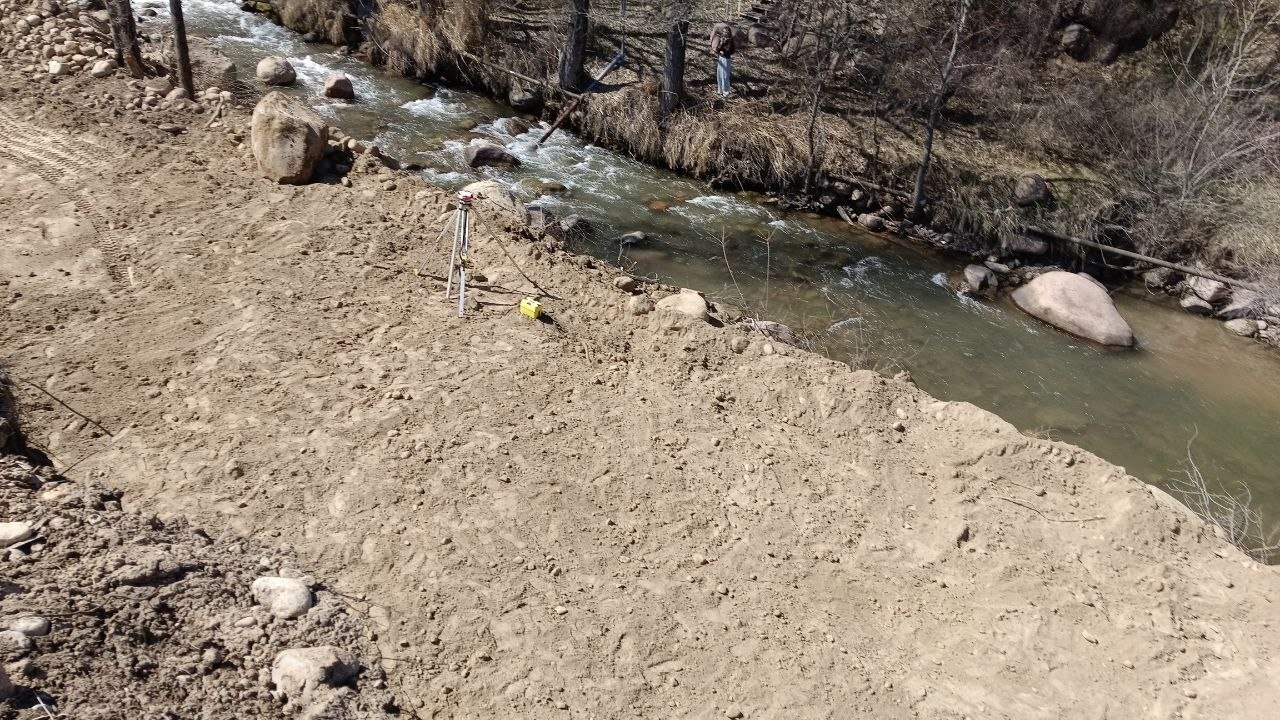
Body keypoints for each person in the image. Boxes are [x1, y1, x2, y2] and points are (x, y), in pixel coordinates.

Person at [709, 22, 736, 98]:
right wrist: (717, 49)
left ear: (729, 33)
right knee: (719, 74)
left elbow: (731, 51)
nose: (725, 33)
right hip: (720, 58)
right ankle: (720, 90)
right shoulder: (722, 39)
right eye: (724, 32)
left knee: (725, 76)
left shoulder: (730, 41)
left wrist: (724, 52)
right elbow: (718, 49)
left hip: (726, 59)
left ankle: (726, 92)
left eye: (726, 32)